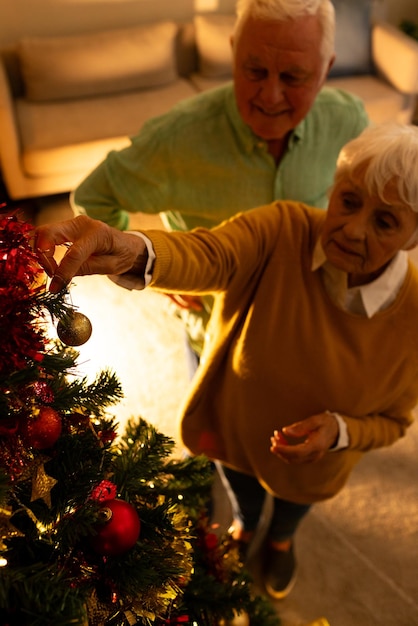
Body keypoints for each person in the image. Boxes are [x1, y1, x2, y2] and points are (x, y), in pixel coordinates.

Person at [36, 123, 418, 599]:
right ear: (334, 189)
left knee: (292, 507)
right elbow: (210, 253)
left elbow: (393, 422)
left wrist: (340, 432)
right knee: (244, 493)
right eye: (349, 200)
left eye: (385, 222)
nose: (354, 228)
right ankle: (245, 525)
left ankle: (280, 539)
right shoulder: (285, 227)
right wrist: (131, 248)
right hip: (235, 429)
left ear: (413, 236)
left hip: (315, 468)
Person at [71, 0, 369, 362]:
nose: (270, 96)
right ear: (233, 53)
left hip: (309, 323)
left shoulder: (348, 120)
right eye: (255, 70)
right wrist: (150, 269)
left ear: (325, 70)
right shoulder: (176, 138)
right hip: (215, 335)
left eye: (293, 77)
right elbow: (93, 197)